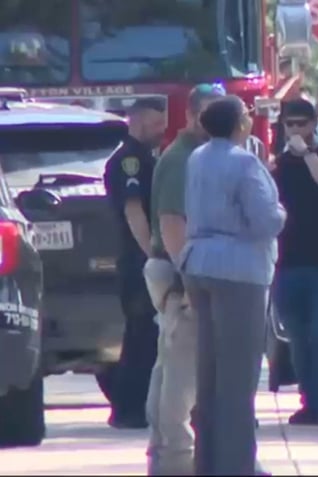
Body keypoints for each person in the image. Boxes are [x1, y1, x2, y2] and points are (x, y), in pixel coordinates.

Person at [180, 96, 286, 475]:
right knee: (239, 378)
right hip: (239, 271)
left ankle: (207, 462)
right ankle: (238, 465)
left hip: (198, 263)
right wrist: (281, 212)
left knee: (208, 372)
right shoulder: (245, 163)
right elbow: (265, 221)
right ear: (239, 124)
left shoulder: (197, 157)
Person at [143, 84, 225, 475]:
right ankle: (175, 460)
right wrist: (191, 281)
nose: (216, 122)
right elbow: (172, 223)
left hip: (179, 272)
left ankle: (166, 455)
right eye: (210, 113)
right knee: (180, 371)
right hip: (180, 274)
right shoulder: (183, 159)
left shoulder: (196, 154)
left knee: (171, 366)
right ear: (192, 115)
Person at [272, 99, 318, 426]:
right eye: (290, 124)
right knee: (298, 338)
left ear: (314, 123)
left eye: (302, 123)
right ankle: (309, 402)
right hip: (287, 262)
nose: (296, 130)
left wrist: (307, 154)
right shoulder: (277, 165)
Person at [103, 97, 167, 430]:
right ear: (139, 121)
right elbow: (134, 211)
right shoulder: (130, 161)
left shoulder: (144, 157)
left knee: (144, 336)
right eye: (156, 124)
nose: (161, 130)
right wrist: (152, 253)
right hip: (136, 260)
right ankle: (128, 409)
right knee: (142, 337)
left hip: (138, 260)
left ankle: (132, 406)